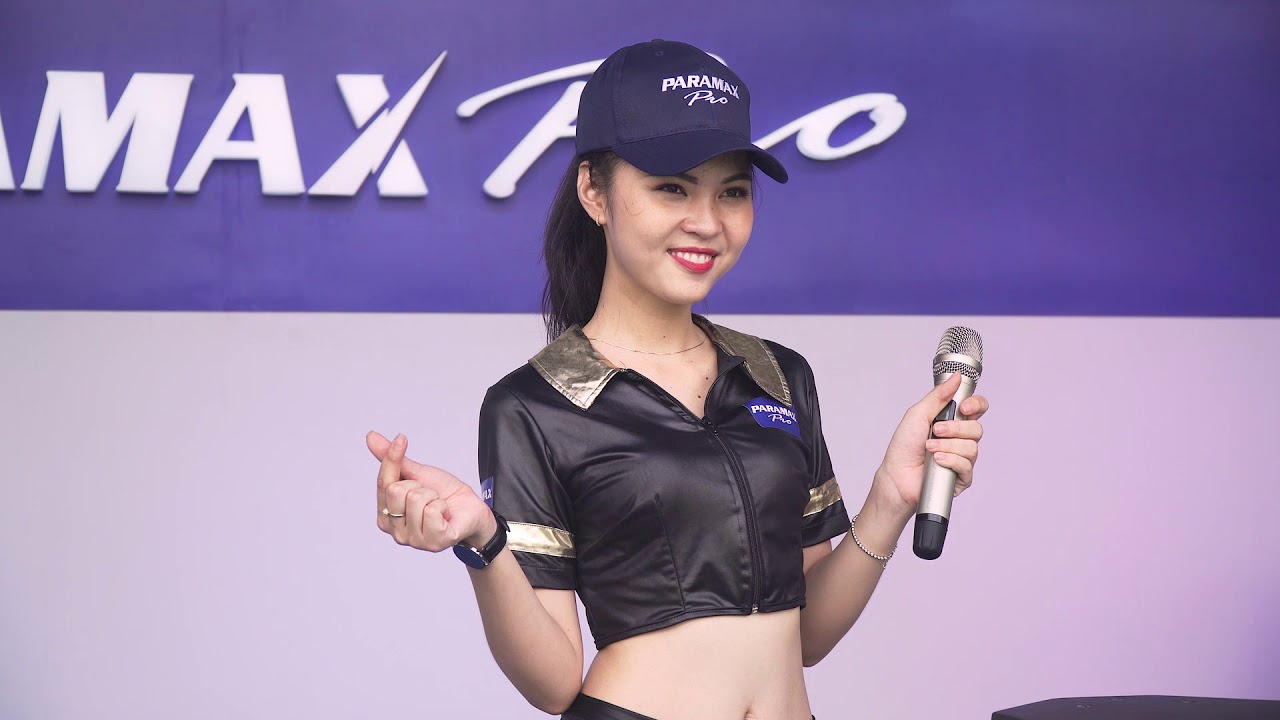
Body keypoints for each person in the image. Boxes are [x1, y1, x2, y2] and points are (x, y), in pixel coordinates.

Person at [367, 39, 988, 720]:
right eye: (671, 187)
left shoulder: (778, 374)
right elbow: (553, 683)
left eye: (733, 193)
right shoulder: (535, 404)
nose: (707, 223)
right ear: (593, 192)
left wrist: (890, 499)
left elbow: (807, 635)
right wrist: (484, 542)